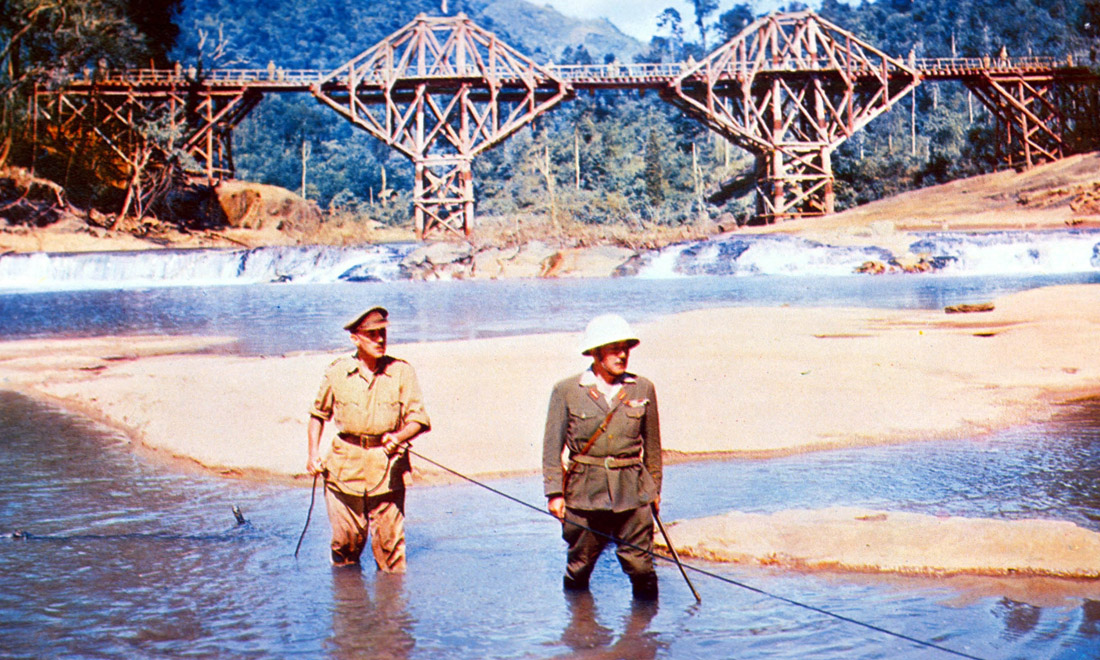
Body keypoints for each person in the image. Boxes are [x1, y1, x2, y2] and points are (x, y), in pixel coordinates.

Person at [542, 313, 662, 600]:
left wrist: (655, 491)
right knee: (579, 566)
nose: (622, 355)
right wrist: (554, 494)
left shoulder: (642, 388)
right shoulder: (567, 391)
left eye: (626, 348)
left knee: (641, 567)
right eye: (614, 349)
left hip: (633, 492)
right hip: (584, 494)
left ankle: (646, 625)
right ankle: (578, 623)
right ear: (595, 353)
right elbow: (551, 448)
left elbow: (653, 448)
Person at [307, 306, 430, 572]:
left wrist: (399, 436)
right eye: (372, 334)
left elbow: (419, 420)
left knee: (391, 552)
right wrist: (312, 455)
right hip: (343, 470)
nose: (380, 339)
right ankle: (347, 595)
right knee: (345, 545)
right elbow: (318, 415)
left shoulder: (402, 372)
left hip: (387, 470)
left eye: (382, 333)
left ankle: (393, 599)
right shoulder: (337, 372)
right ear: (355, 338)